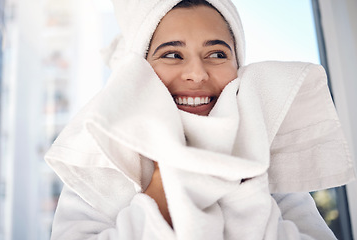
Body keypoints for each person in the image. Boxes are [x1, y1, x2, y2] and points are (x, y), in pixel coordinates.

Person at [45, 0, 356, 239]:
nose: (196, 73)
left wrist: (243, 188)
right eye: (172, 54)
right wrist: (160, 190)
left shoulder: (267, 159)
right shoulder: (100, 167)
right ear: (139, 71)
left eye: (217, 54)